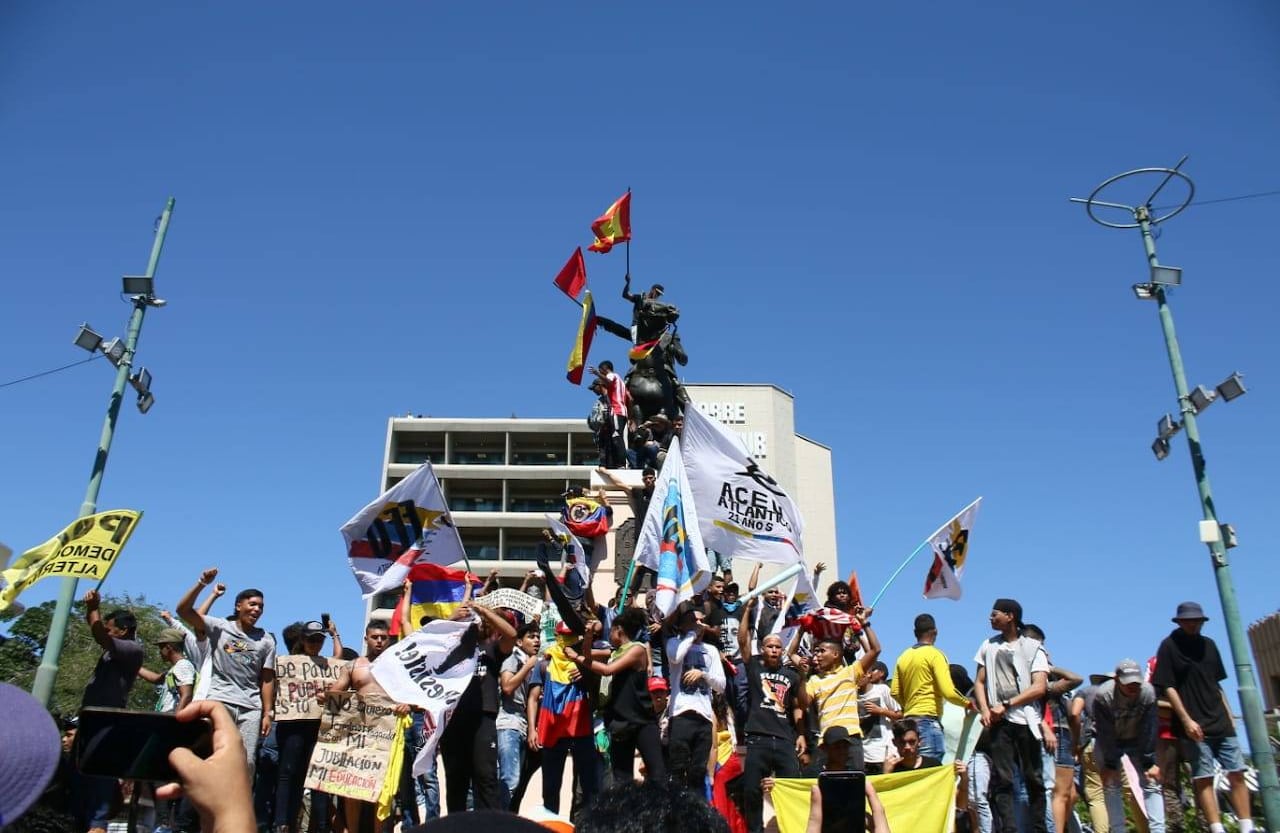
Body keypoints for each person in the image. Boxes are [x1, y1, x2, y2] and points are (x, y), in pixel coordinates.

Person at [1151, 601, 1255, 833]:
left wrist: (1229, 714)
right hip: (1193, 723)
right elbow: (1168, 686)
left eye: (1196, 620)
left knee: (1237, 771)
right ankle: (1216, 827)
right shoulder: (1169, 646)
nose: (1193, 624)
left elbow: (1217, 683)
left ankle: (1246, 825)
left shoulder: (1209, 645)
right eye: (1188, 620)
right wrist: (1186, 720)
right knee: (1203, 776)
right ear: (1179, 622)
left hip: (1219, 718)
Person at [176, 568, 276, 773]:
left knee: (245, 763)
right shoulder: (220, 627)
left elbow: (267, 678)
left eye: (261, 606)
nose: (257, 609)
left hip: (250, 708)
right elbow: (184, 611)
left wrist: (268, 713)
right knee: (211, 756)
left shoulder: (266, 640)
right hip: (219, 701)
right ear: (239, 606)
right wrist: (202, 584)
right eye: (253, 604)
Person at [320, 619, 412, 832]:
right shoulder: (353, 666)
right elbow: (337, 693)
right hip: (357, 735)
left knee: (382, 792)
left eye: (383, 637)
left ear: (389, 639)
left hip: (386, 735)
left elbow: (415, 696)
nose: (379, 641)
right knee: (353, 789)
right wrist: (325, 696)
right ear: (366, 639)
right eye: (375, 637)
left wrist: (407, 705)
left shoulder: (399, 666)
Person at [972, 598, 1050, 833]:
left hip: (1026, 719)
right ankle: (1008, 828)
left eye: (995, 614)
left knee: (1033, 778)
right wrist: (986, 709)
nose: (991, 618)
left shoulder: (1033, 647)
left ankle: (1038, 828)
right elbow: (980, 681)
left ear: (1010, 616)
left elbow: (1039, 687)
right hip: (1000, 723)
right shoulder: (988, 645)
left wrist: (1006, 704)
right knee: (1003, 779)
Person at [567, 606, 666, 785]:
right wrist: (588, 637)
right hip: (620, 722)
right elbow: (587, 654)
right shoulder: (614, 652)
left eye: (610, 631)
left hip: (641, 721)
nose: (608, 635)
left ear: (618, 630)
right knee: (622, 779)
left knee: (657, 773)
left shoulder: (638, 650)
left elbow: (606, 670)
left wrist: (577, 659)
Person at [736, 594, 807, 833]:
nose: (775, 650)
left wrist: (800, 734)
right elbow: (742, 641)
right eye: (770, 646)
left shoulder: (792, 675)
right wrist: (747, 610)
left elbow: (800, 705)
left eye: (778, 647)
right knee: (752, 790)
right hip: (758, 738)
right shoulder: (754, 665)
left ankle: (792, 828)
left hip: (785, 739)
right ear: (762, 649)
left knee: (792, 789)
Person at [438, 599, 517, 813]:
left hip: (483, 718)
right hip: (453, 719)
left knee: (486, 778)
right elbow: (426, 641)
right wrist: (452, 619)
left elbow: (511, 635)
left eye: (479, 621)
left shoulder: (491, 648)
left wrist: (483, 610)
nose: (475, 622)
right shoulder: (450, 648)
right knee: (456, 782)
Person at [79, 589, 144, 833]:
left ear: (123, 631)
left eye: (111, 628)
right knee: (83, 774)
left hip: (108, 720)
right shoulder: (114, 650)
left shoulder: (131, 649)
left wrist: (93, 607)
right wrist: (91, 611)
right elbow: (97, 630)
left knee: (100, 774)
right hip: (91, 718)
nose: (107, 631)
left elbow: (99, 636)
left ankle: (98, 825)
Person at [273, 620, 342, 833]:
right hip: (293, 725)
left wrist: (334, 634)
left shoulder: (326, 663)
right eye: (312, 639)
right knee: (288, 772)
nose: (316, 644)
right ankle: (282, 823)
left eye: (319, 639)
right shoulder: (288, 663)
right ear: (302, 640)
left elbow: (339, 660)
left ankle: (321, 827)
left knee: (317, 775)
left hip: (318, 726)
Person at [1092, 659, 1164, 833]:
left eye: (1136, 683)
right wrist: (1110, 764)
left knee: (1151, 782)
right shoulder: (1104, 695)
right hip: (1110, 740)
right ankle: (1118, 829)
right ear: (1117, 680)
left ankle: (1158, 830)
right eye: (1128, 683)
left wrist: (1149, 761)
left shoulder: (1147, 692)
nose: (1133, 687)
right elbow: (1105, 731)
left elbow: (1150, 726)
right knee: (1111, 784)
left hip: (1137, 739)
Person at [806, 605, 879, 773]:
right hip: (826, 742)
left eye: (821, 651)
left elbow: (875, 650)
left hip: (850, 738)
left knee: (854, 785)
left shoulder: (851, 672)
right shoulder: (814, 680)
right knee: (827, 788)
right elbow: (803, 703)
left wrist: (863, 625)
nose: (816, 655)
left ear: (836, 655)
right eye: (815, 652)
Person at [890, 613, 972, 763]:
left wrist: (909, 704)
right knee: (930, 772)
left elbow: (894, 691)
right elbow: (948, 691)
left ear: (915, 633)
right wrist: (969, 704)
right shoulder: (936, 654)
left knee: (913, 773)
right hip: (928, 722)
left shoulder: (903, 656)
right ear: (935, 631)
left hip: (909, 723)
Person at [666, 602, 727, 793]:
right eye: (693, 621)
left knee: (697, 771)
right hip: (682, 713)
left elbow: (721, 685)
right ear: (683, 624)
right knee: (678, 769)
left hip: (704, 716)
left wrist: (703, 675)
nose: (699, 624)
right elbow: (676, 657)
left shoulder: (711, 651)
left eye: (701, 621)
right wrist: (692, 634)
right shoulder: (674, 642)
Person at [799, 726, 892, 833]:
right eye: (837, 747)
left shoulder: (856, 776)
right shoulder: (814, 775)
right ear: (824, 748)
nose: (842, 751)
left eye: (845, 746)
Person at [498, 623, 541, 808]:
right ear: (519, 641)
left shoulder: (532, 663)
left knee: (516, 783)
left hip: (522, 726)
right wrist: (528, 666)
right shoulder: (513, 659)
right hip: (509, 724)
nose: (537, 640)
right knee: (509, 780)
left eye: (538, 636)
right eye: (531, 636)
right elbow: (507, 687)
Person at [858, 661, 901, 775]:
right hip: (862, 755)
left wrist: (881, 711)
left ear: (868, 674)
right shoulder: (852, 695)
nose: (856, 678)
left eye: (859, 675)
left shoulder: (882, 690)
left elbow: (900, 715)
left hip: (883, 754)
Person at [589, 360, 629, 469]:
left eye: (601, 370)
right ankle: (619, 463)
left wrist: (597, 373)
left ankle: (621, 464)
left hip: (616, 410)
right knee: (616, 437)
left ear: (605, 368)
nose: (601, 372)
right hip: (623, 411)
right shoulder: (621, 381)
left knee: (616, 437)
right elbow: (629, 397)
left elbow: (609, 382)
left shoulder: (612, 375)